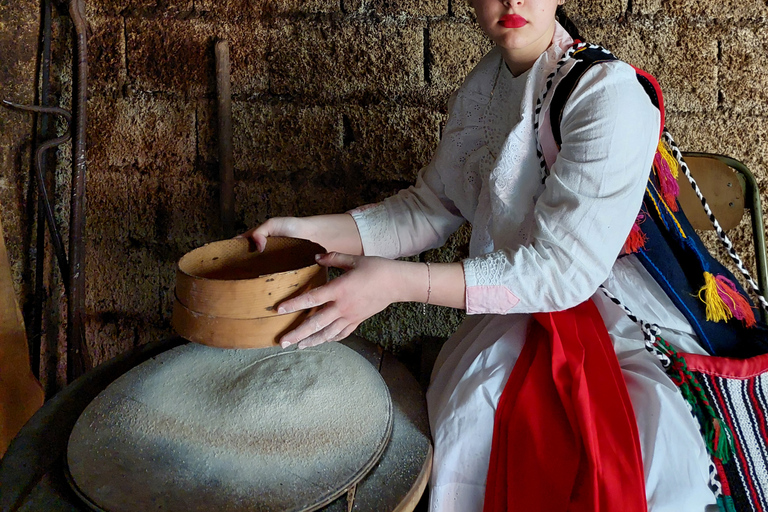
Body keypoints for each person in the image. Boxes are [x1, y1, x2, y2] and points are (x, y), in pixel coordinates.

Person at [243, 0, 718, 509]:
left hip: (608, 317)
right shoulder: (484, 85)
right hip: (510, 308)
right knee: (462, 417)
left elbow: (562, 273)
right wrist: (307, 234)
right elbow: (429, 209)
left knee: (614, 455)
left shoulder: (608, 96)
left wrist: (397, 284)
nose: (512, 1)